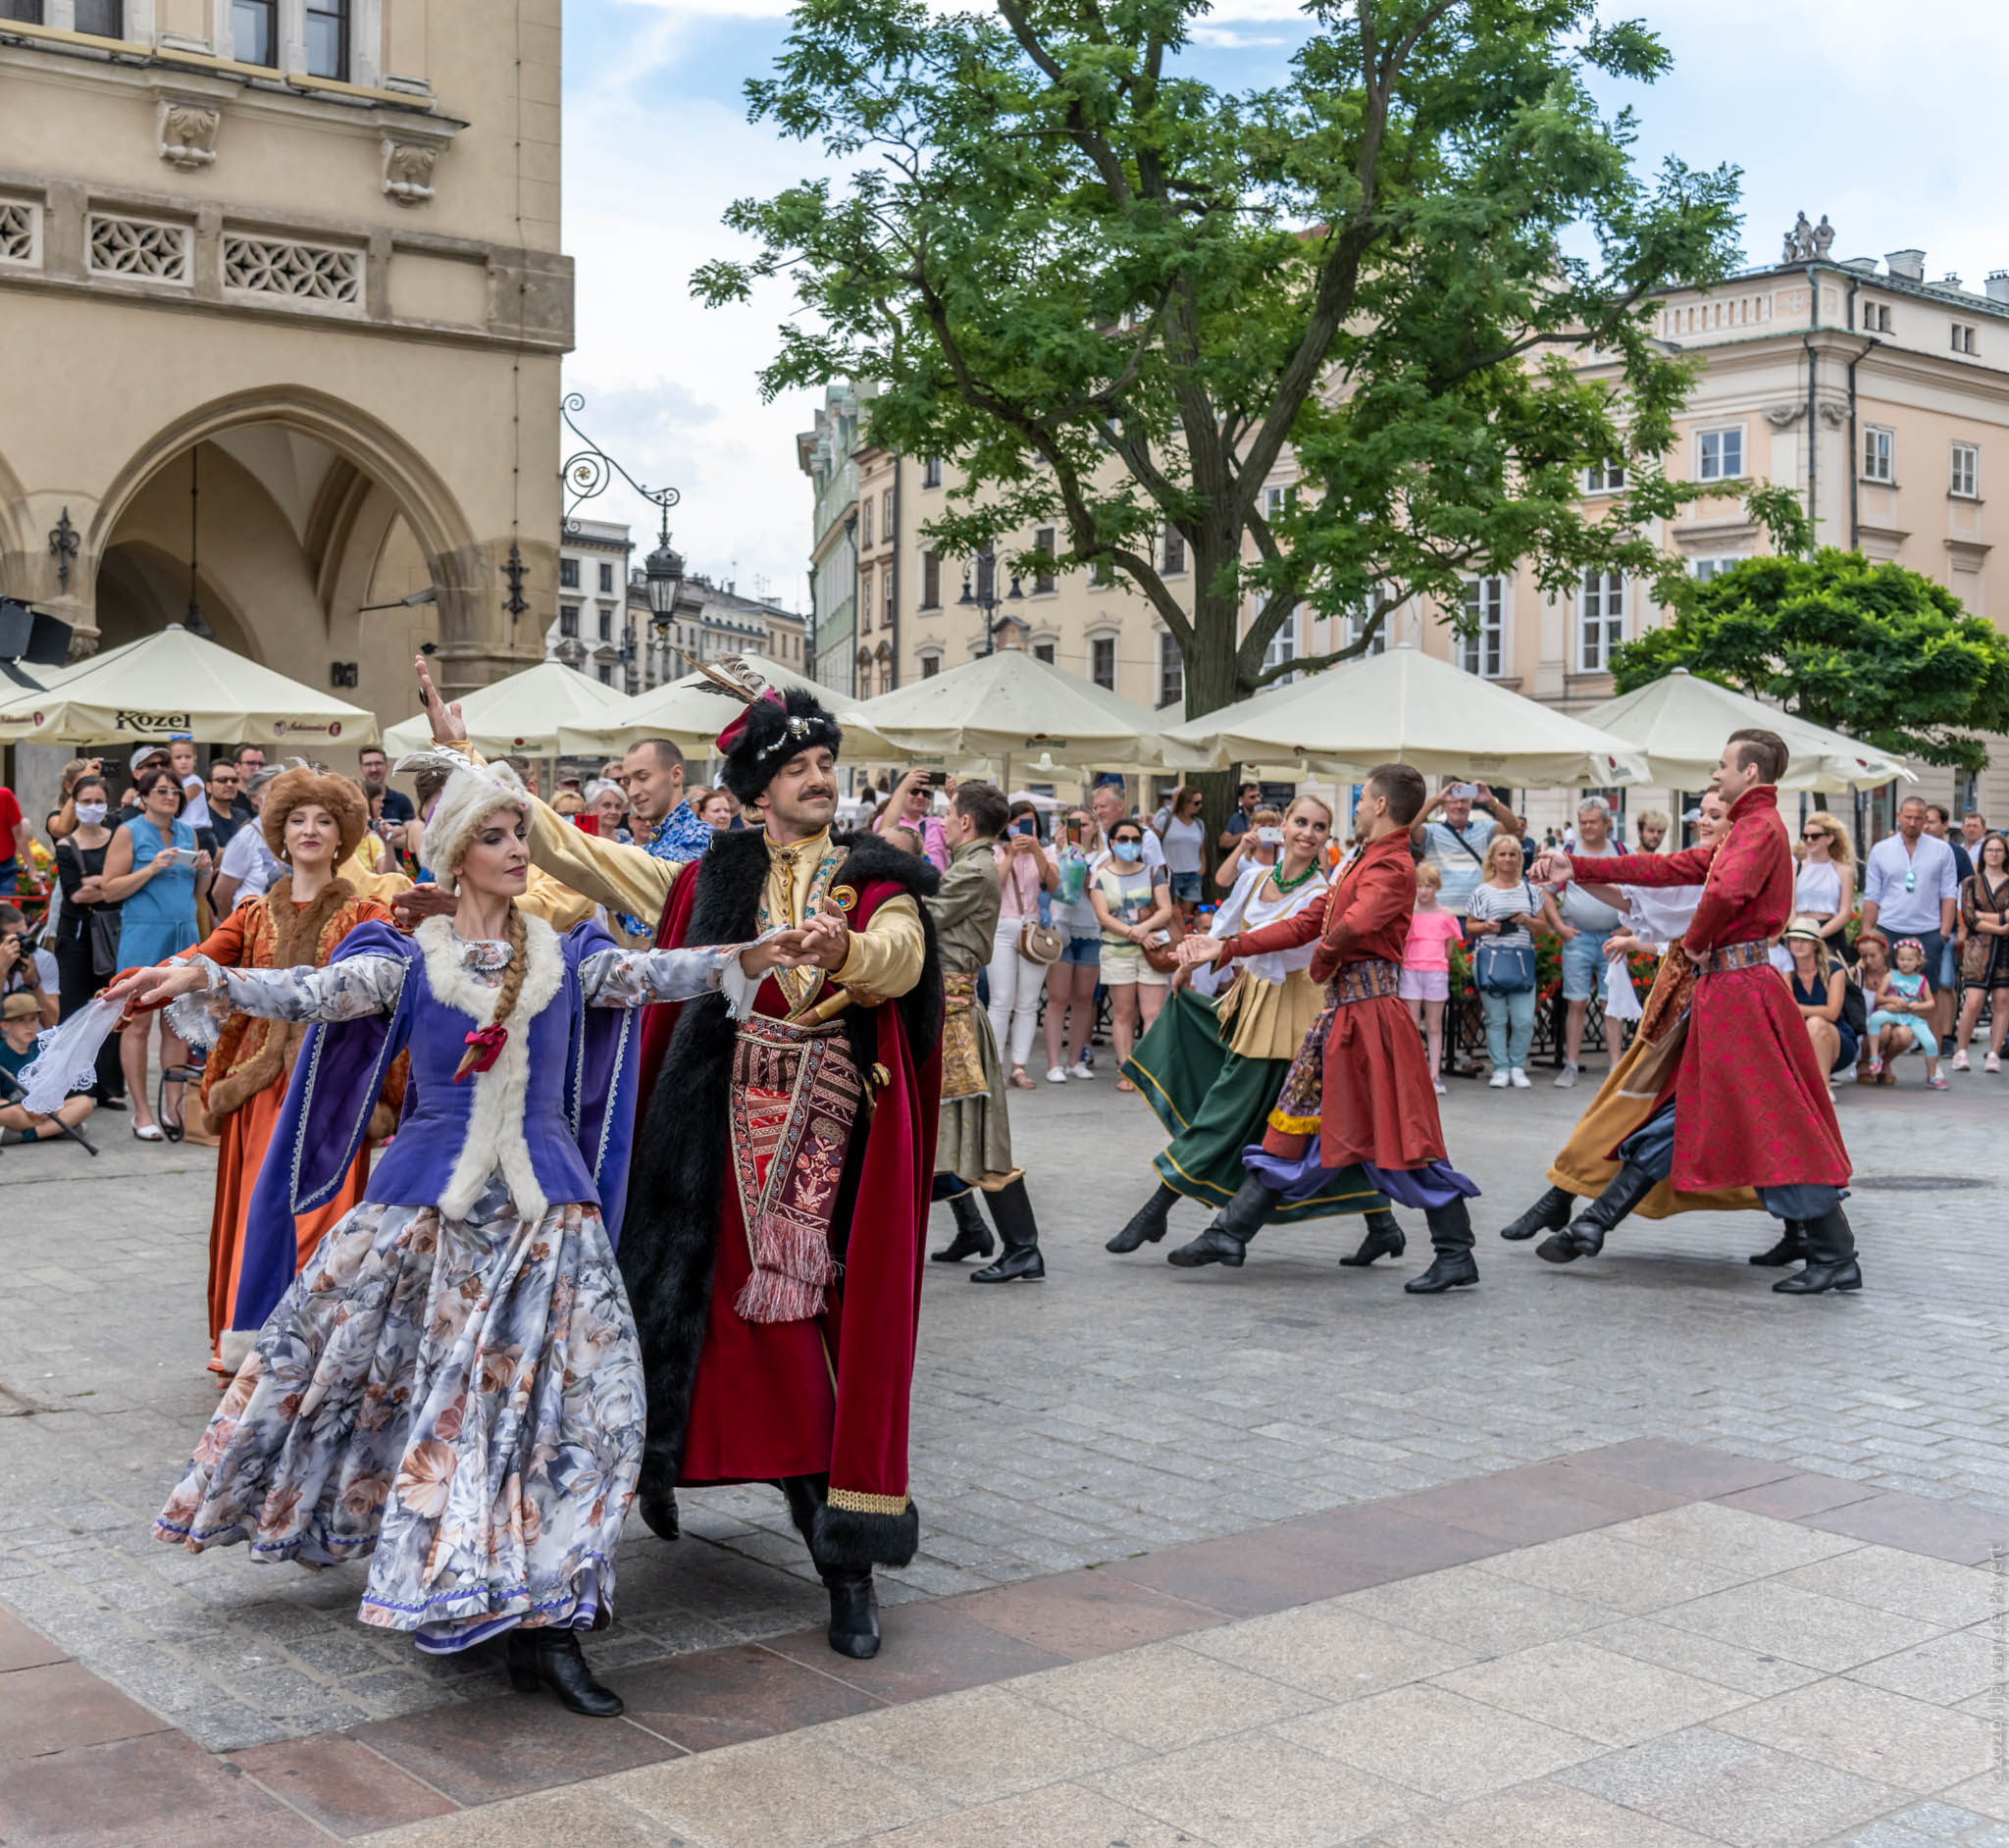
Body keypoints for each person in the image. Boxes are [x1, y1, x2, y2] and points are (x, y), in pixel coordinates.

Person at [120, 753, 804, 1716]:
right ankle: (510, 1617)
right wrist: (207, 973)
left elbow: (655, 974)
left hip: (550, 1217)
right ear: (454, 854)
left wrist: (751, 954)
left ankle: (549, 1613)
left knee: (594, 1412)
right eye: (495, 836)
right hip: (427, 1218)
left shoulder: (568, 956)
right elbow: (310, 993)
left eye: (520, 833)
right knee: (445, 1414)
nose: (518, 849)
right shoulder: (404, 962)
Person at [415, 657, 942, 1663]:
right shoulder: (706, 876)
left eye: (825, 765)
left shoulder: (875, 874)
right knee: (693, 1322)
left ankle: (847, 1561)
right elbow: (571, 850)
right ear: (757, 790)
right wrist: (468, 760)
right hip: (710, 1147)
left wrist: (843, 951)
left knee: (814, 1341)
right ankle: (635, 1491)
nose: (818, 779)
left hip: (825, 1157)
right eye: (797, 769)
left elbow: (902, 956)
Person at [1527, 729, 1858, 1294]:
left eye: (1723, 765)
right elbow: (1676, 868)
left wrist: (1698, 941)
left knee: (1771, 1115)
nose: (1715, 773)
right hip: (1733, 990)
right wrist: (1577, 867)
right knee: (1713, 1109)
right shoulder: (1752, 825)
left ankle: (1834, 1253)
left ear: (1750, 772)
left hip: (1739, 989)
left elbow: (1724, 893)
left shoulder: (1758, 826)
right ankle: (1598, 1222)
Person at [1174, 763, 1482, 1294]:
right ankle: (1230, 1232)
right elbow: (1307, 921)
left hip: (1372, 1018)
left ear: (1380, 804)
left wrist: (1321, 958)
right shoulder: (1364, 859)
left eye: (1362, 799)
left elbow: (1352, 925)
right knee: (1294, 1121)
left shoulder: (1392, 865)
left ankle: (1456, 1251)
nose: (1357, 806)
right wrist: (1226, 946)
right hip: (1345, 1015)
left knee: (1401, 1133)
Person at [135, 770, 398, 1377]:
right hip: (259, 1087)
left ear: (343, 836)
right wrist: (144, 981)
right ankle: (250, 1341)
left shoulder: (367, 914)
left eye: (324, 820)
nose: (310, 830)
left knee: (325, 1214)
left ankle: (318, 1348)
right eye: (297, 819)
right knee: (260, 1210)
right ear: (279, 833)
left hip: (332, 1087)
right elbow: (197, 961)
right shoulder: (252, 914)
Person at [1114, 796, 1404, 1266]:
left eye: (1319, 827)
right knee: (1316, 1123)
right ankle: (1382, 1223)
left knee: (1229, 1111)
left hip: (1295, 1011)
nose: (1308, 833)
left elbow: (1289, 950)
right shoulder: (1254, 878)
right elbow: (1223, 928)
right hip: (1252, 1006)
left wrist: (1225, 950)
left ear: (1327, 839)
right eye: (1301, 822)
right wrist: (1189, 965)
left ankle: (1157, 1208)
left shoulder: (1321, 894)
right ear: (1282, 826)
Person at [930, 783, 1046, 1282]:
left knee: (980, 1136)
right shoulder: (974, 863)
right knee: (947, 1131)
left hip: (956, 1017)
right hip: (947, 1010)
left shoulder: (974, 870)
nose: (942, 822)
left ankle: (1023, 1247)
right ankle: (975, 1228)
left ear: (966, 822)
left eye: (948, 814)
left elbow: (924, 918)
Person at [102, 765, 209, 1140]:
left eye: (175, 791)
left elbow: (197, 894)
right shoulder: (129, 831)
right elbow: (109, 889)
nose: (170, 797)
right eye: (162, 790)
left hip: (183, 934)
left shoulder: (187, 832)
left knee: (177, 1024)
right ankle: (142, 1112)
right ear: (144, 796)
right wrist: (151, 868)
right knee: (138, 1023)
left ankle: (173, 1107)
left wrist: (206, 870)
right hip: (143, 935)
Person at [48, 772, 126, 1107]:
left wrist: (98, 883)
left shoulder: (118, 838)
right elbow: (76, 894)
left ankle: (109, 1086)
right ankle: (74, 1086)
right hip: (76, 936)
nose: (92, 807)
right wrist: (110, 884)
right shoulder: (66, 845)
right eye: (86, 801)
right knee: (73, 1009)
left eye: (98, 801)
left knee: (111, 1006)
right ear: (74, 803)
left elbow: (125, 883)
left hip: (112, 934)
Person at [1466, 835, 1566, 1090]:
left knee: (1523, 1019)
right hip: (1491, 959)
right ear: (1492, 859)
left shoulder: (1531, 891)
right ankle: (1500, 1067)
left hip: (1521, 960)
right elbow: (1470, 927)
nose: (1508, 859)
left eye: (1512, 854)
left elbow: (1542, 928)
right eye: (1502, 854)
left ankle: (1518, 1066)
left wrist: (1526, 920)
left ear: (1520, 858)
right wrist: (1487, 926)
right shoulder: (1481, 891)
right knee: (1495, 1019)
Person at [1861, 796, 1957, 1054]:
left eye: (1918, 818)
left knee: (1930, 996)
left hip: (1928, 930)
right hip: (1889, 927)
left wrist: (1943, 934)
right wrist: (1867, 933)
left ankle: (1933, 1060)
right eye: (1908, 817)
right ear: (1899, 816)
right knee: (1884, 993)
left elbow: (1949, 894)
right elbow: (1872, 895)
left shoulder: (1942, 850)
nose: (1913, 823)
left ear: (1926, 819)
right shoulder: (1881, 849)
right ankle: (1880, 1058)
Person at [1092, 818, 1174, 1093]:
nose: (1130, 844)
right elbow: (1103, 916)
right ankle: (1126, 1069)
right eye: (1123, 839)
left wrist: (1142, 930)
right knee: (1123, 1012)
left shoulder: (1153, 872)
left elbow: (1166, 908)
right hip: (1117, 951)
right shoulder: (1101, 877)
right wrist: (1134, 933)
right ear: (1112, 843)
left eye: (1135, 839)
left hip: (1153, 951)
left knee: (1153, 1013)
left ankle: (1146, 1072)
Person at [986, 799, 1057, 1091]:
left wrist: (1037, 850)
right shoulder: (995, 851)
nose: (1024, 829)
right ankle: (995, 1067)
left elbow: (1053, 884)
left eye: (1030, 823)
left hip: (1034, 930)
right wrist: (1012, 853)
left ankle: (1019, 1066)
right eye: (1017, 824)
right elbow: (993, 885)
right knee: (1001, 999)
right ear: (1006, 826)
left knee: (1028, 1002)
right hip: (1003, 927)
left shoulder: (1047, 851)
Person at [1553, 796, 1624, 1085]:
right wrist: (1559, 926)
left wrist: (1628, 930)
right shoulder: (1567, 853)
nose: (1587, 827)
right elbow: (1546, 891)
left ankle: (1615, 1068)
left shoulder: (1622, 852)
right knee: (1576, 1002)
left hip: (1613, 938)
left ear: (1607, 823)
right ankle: (1571, 1065)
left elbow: (1642, 891)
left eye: (1593, 822)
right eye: (1583, 822)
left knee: (1612, 1004)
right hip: (1578, 937)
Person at [1043, 806, 1103, 1082]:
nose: (1077, 829)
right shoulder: (1053, 852)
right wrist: (1063, 853)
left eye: (1084, 824)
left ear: (1095, 826)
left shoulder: (1103, 856)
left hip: (1091, 928)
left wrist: (1080, 861)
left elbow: (1096, 890)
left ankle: (1075, 1060)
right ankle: (1053, 1064)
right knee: (1057, 998)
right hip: (1061, 928)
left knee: (1083, 999)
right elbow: (1053, 888)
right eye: (1072, 824)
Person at [1400, 863, 1463, 1095]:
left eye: (1428, 886)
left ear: (1437, 887)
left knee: (1434, 1025)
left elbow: (1449, 949)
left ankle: (1434, 1074)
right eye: (1419, 885)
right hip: (1411, 970)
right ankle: (1413, 1073)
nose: (1424, 891)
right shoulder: (1407, 914)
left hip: (1436, 972)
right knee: (1412, 1023)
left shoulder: (1446, 915)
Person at [0, 991, 96, 1142]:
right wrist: (28, 1110)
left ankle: (26, 1135)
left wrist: (47, 1107)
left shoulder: (42, 1049)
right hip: (18, 1111)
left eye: (33, 1019)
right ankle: (59, 1128)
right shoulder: (2, 1053)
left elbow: (55, 1087)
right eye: (21, 1020)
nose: (29, 1026)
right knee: (7, 1110)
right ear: (4, 1025)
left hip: (46, 1110)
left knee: (84, 1103)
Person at [1779, 913, 1857, 1096]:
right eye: (1794, 940)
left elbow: (1832, 1013)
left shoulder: (1834, 969)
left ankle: (1823, 1089)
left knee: (1816, 1023)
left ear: (1815, 944)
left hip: (1836, 1039)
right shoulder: (1786, 971)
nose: (1798, 944)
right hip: (1800, 1038)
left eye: (1804, 940)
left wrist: (1795, 1008)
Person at [1410, 781, 1513, 917]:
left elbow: (1513, 827)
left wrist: (1492, 801)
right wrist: (1436, 800)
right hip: (1440, 914)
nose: (1459, 806)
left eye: (1464, 801)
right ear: (1444, 806)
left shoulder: (1485, 828)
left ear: (1471, 805)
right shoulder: (1431, 831)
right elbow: (1409, 830)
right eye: (1453, 801)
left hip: (1476, 915)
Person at [1953, 830, 2009, 1072]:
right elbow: (1968, 916)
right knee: (1973, 1001)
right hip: (1977, 949)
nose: (1994, 854)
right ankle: (1961, 1051)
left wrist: (1983, 916)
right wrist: (2000, 924)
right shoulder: (1971, 883)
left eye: (1999, 850)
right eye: (1990, 850)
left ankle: (1994, 1054)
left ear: (2005, 854)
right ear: (1983, 853)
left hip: (2005, 950)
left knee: (2002, 1001)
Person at [1866, 937, 1942, 1087]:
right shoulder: (1891, 976)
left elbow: (1931, 1003)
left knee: (1931, 1042)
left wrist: (1917, 1006)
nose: (1905, 963)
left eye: (1909, 960)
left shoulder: (1921, 980)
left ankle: (1933, 1076)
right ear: (1896, 959)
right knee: (1875, 1019)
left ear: (1918, 961)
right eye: (1901, 959)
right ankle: (1874, 1058)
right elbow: (1879, 998)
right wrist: (1893, 1000)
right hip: (1893, 1012)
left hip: (1911, 1016)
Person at [212, 768, 286, 913]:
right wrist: (241, 923)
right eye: (273, 791)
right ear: (254, 798)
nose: (281, 798)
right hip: (252, 921)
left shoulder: (297, 832)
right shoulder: (245, 839)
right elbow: (221, 896)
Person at [1153, 786, 1208, 914]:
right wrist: (1161, 867)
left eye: (1201, 802)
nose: (1200, 806)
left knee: (1187, 914)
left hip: (1193, 874)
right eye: (1196, 803)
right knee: (1174, 912)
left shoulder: (1199, 824)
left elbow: (1201, 848)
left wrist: (1203, 868)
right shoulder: (1165, 821)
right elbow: (1153, 844)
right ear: (1185, 803)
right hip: (1172, 874)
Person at [1214, 807, 1283, 892]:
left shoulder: (1286, 854)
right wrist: (1241, 847)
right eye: (1262, 826)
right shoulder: (1244, 858)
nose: (1267, 831)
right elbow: (1222, 881)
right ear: (1251, 828)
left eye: (1271, 826)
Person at [357, 746, 416, 825]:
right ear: (361, 769)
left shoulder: (402, 800)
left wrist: (398, 830)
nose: (374, 769)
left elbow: (410, 828)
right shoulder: (355, 801)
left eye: (378, 763)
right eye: (368, 764)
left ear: (387, 767)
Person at [204, 759, 244, 853]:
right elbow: (210, 854)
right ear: (209, 787)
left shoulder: (242, 816)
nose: (230, 784)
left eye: (234, 780)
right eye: (222, 780)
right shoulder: (201, 817)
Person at [1216, 781, 1262, 854]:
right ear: (1241, 799)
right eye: (1252, 797)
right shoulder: (1237, 818)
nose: (1258, 800)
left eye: (1258, 796)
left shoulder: (1266, 816)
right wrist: (1245, 834)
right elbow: (1223, 843)